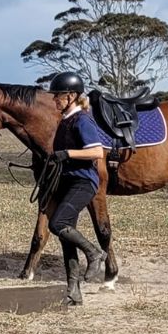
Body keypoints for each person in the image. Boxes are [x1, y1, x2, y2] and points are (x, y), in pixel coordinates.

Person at [46, 71, 108, 306]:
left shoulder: (82, 119)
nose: (55, 100)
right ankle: (74, 291)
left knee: (57, 224)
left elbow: (96, 152)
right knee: (65, 238)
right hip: (67, 181)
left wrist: (68, 153)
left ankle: (94, 253)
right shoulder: (65, 120)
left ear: (71, 96)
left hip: (83, 182)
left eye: (58, 96)